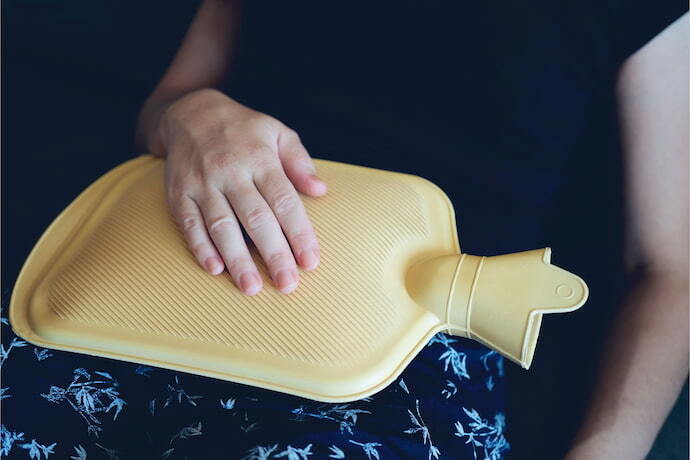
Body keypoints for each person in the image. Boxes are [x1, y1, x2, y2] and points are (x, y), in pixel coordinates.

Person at [134, 1, 688, 458]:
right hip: (168, 285)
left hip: (413, 356)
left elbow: (673, 271)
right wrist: (194, 113)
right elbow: (166, 106)